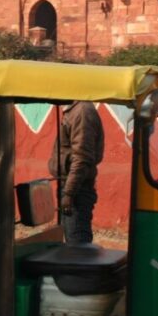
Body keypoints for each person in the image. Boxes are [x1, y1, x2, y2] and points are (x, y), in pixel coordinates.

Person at [49, 101, 104, 244]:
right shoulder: (75, 110)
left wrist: (69, 193)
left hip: (77, 189)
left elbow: (82, 159)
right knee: (72, 241)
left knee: (77, 245)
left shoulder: (82, 112)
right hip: (71, 186)